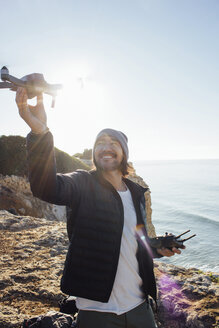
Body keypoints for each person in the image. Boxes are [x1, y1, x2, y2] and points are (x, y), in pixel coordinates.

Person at [16, 83, 184, 328]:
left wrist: (159, 249)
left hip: (140, 307)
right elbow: (46, 187)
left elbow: (135, 242)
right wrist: (41, 132)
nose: (106, 148)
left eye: (113, 143)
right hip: (96, 311)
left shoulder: (136, 193)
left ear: (124, 153)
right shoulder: (82, 183)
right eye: (100, 143)